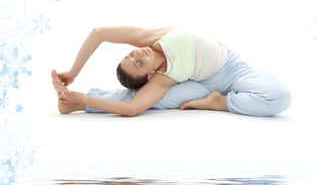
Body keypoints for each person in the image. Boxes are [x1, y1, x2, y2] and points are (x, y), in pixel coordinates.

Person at [51, 26, 291, 117]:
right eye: (137, 63)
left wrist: (73, 72)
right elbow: (132, 108)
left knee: (279, 97)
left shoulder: (150, 38)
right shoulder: (162, 80)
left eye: (130, 55)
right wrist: (84, 99)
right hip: (201, 86)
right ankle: (75, 104)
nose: (137, 55)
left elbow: (98, 33)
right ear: (148, 76)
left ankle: (220, 103)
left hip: (232, 69)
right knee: (144, 102)